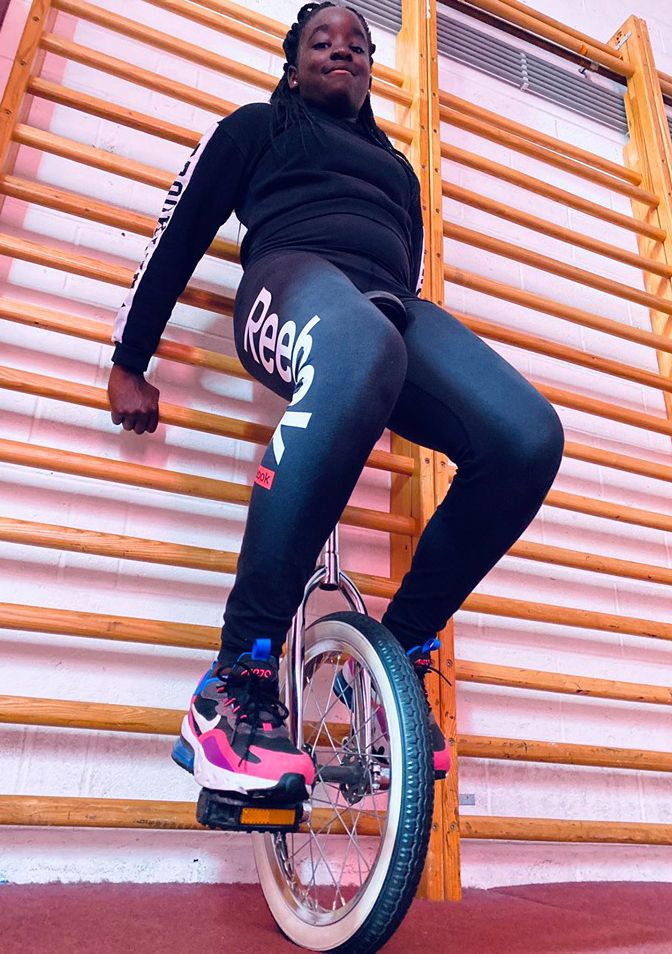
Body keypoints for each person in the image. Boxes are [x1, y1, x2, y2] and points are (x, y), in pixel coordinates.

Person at [107, 1, 564, 799]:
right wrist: (128, 358)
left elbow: (403, 276)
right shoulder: (258, 127)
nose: (341, 50)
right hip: (286, 279)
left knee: (527, 437)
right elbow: (180, 230)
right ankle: (234, 684)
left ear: (371, 73)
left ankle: (396, 657)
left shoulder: (399, 172)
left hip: (383, 308)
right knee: (359, 348)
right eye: (322, 40)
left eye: (357, 44)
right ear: (292, 65)